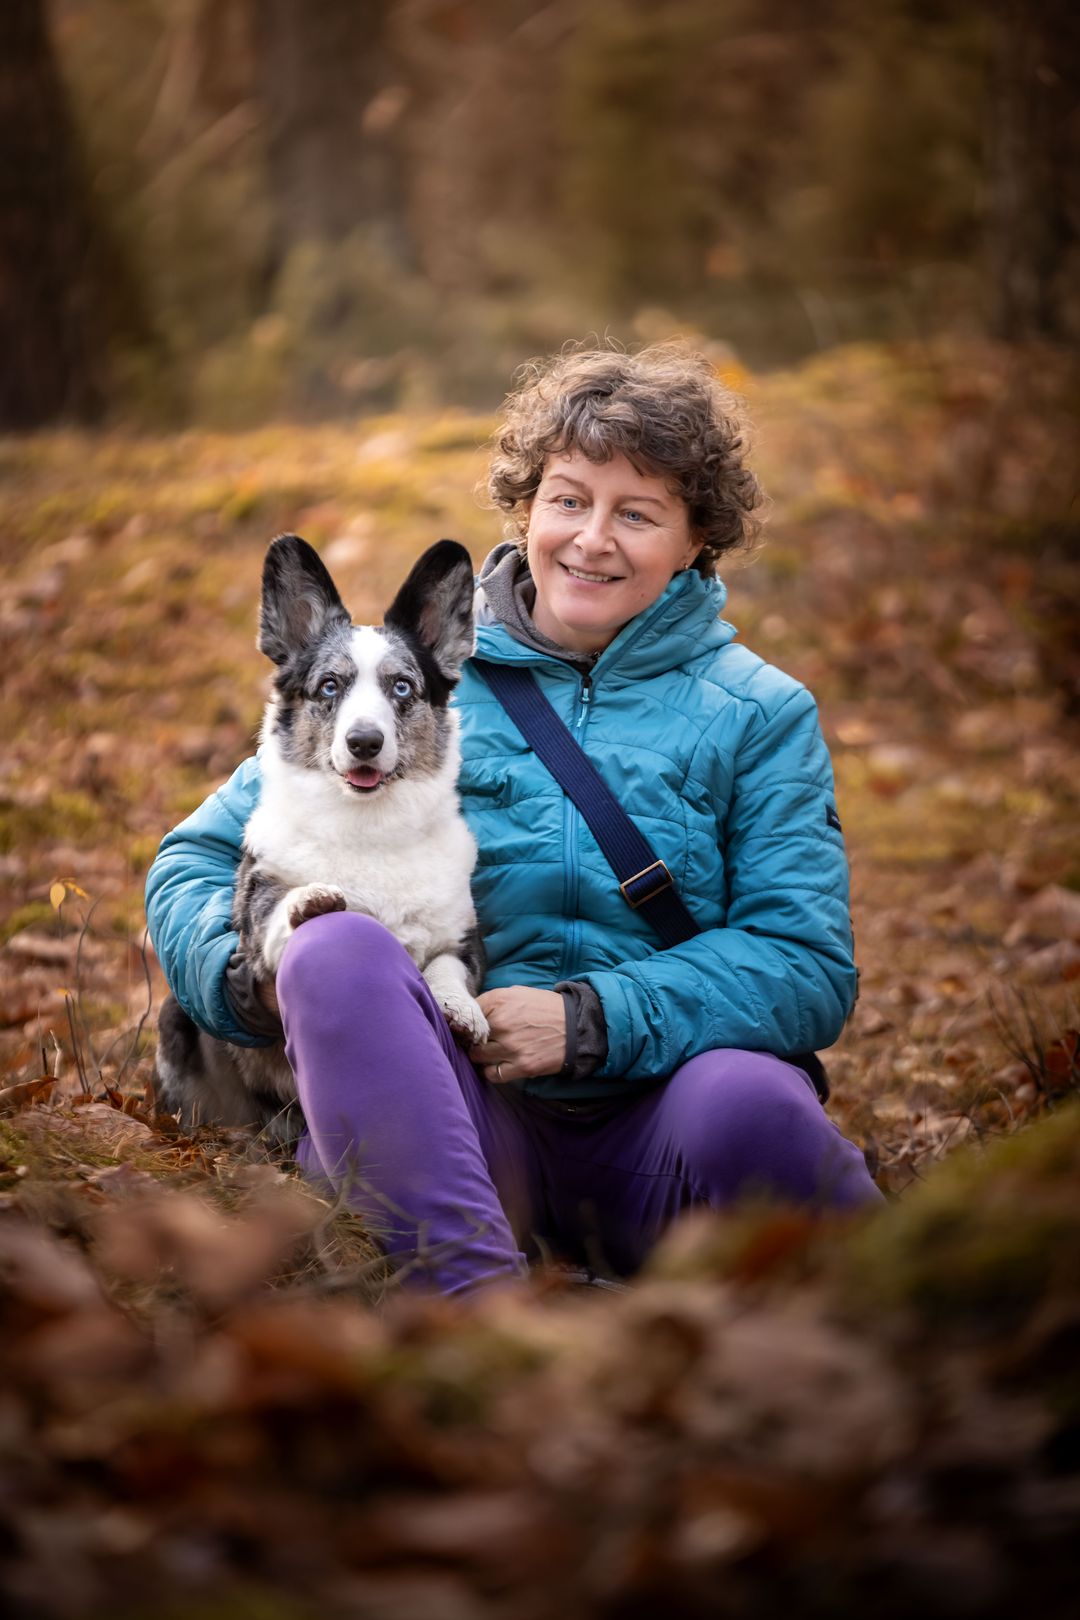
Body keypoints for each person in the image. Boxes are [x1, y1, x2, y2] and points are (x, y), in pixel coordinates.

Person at [146, 342, 882, 1295]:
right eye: (569, 500)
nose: (591, 539)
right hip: (448, 1120)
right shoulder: (410, 685)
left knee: (755, 1101)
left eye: (638, 513)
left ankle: (935, 1335)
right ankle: (479, 1319)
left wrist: (592, 1019)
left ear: (697, 539)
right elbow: (193, 861)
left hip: (667, 1125)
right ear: (528, 508)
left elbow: (806, 963)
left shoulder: (760, 714)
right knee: (329, 947)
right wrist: (252, 975)